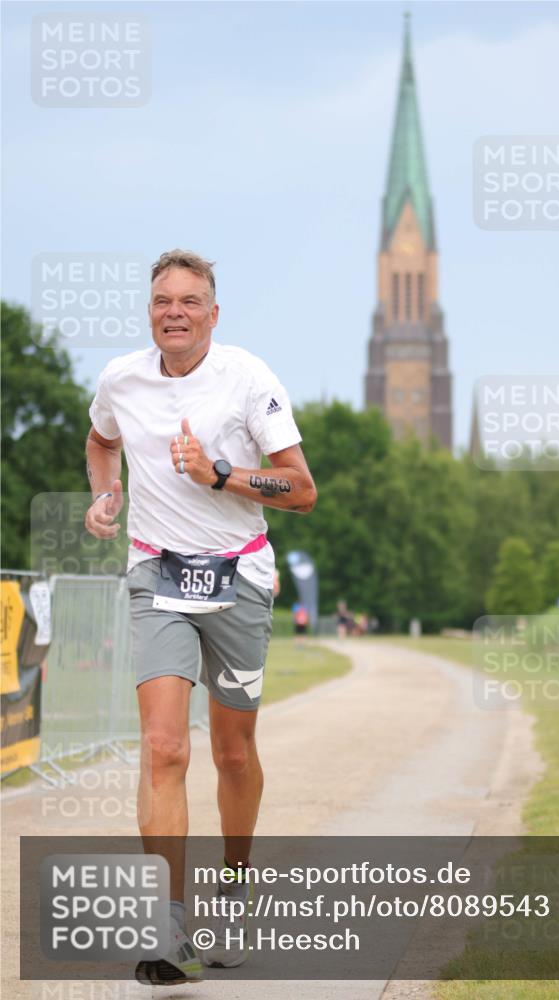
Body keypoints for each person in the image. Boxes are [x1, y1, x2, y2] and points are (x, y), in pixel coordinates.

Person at [84, 249, 317, 985]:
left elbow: (302, 489)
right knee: (163, 746)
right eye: (162, 300)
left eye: (189, 301)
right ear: (149, 311)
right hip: (157, 572)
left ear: (213, 314)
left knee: (233, 754)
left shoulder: (249, 380)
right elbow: (100, 440)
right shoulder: (121, 379)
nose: (174, 312)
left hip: (239, 575)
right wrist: (106, 492)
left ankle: (238, 890)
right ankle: (168, 924)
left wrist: (221, 473)